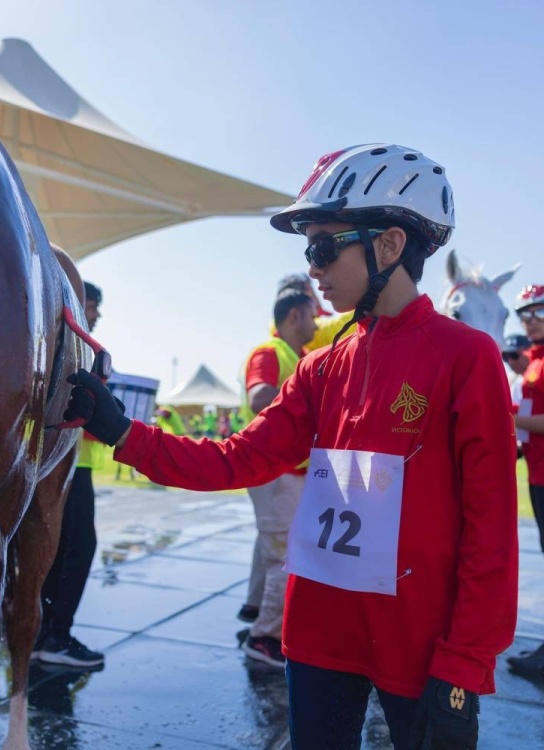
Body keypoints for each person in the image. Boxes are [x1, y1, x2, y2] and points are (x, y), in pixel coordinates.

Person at [64, 144, 518, 750]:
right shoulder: (320, 368)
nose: (313, 267)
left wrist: (466, 663)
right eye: (309, 249)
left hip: (420, 643)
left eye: (324, 245)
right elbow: (238, 459)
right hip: (319, 637)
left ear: (387, 245)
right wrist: (124, 432)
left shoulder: (467, 357)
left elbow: (491, 527)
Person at [237, 289, 317, 666]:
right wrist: (307, 416)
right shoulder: (270, 353)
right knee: (284, 554)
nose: (317, 324)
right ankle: (265, 636)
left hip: (284, 468)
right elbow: (259, 397)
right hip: (274, 468)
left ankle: (254, 609)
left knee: (270, 544)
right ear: (296, 315)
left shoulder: (296, 356)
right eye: (313, 316)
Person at [36, 281, 105, 668]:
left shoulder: (67, 344)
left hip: (74, 462)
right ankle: (55, 636)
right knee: (77, 547)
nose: (95, 314)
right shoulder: (73, 348)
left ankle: (42, 633)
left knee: (57, 548)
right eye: (92, 305)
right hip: (67, 463)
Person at [507, 286, 544, 679]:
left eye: (538, 312)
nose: (531, 321)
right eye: (525, 314)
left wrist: (504, 414)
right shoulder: (533, 359)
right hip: (537, 472)